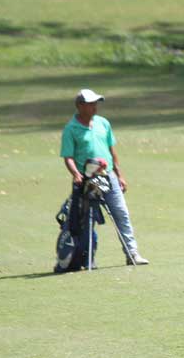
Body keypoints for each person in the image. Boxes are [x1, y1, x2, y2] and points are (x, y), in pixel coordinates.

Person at [60, 88, 149, 265]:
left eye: (96, 103)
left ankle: (132, 253)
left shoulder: (103, 123)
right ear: (80, 106)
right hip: (86, 180)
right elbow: (68, 156)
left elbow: (111, 151)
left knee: (121, 213)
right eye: (90, 104)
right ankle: (83, 257)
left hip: (107, 176)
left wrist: (119, 175)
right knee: (86, 220)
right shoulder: (71, 129)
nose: (95, 107)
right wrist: (76, 174)